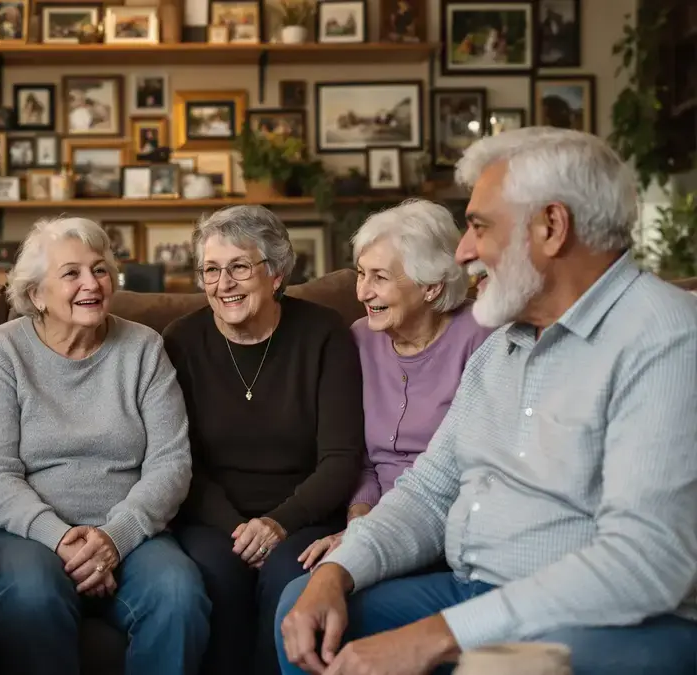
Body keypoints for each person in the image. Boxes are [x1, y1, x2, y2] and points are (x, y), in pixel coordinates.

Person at [276, 127, 697, 675]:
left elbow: (644, 564)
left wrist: (438, 637)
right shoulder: (502, 344)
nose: (463, 251)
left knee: (500, 669)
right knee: (304, 605)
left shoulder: (664, 337)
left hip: (612, 617)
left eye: (479, 226)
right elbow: (428, 492)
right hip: (473, 590)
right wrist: (339, 570)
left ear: (551, 226)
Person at [0, 216, 210, 675]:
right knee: (33, 598)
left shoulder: (143, 348)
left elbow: (171, 462)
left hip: (128, 529)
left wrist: (114, 539)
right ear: (36, 294)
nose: (91, 284)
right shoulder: (0, 351)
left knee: (179, 594)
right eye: (71, 273)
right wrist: (62, 540)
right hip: (25, 531)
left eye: (99, 269)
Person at [162, 205, 364, 675]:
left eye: (238, 267)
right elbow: (178, 459)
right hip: (214, 518)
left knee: (288, 576)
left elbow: (340, 457)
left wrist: (277, 523)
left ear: (275, 274)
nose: (223, 283)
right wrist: (238, 530)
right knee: (217, 575)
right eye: (210, 270)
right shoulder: (180, 342)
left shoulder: (323, 333)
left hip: (304, 515)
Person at [298, 199, 493, 570]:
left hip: (444, 522)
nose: (362, 293)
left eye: (380, 277)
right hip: (369, 520)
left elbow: (477, 467)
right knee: (295, 582)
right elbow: (360, 458)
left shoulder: (481, 338)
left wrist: (375, 538)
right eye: (360, 274)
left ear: (431, 287)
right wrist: (359, 525)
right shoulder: (359, 339)